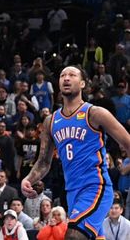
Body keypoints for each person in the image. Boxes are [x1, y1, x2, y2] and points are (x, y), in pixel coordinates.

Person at [22, 66, 130, 240]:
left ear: (82, 84)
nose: (66, 78)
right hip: (72, 192)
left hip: (96, 188)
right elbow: (43, 162)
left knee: (73, 236)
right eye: (62, 75)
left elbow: (127, 142)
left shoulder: (95, 113)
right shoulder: (51, 121)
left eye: (72, 75)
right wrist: (28, 179)